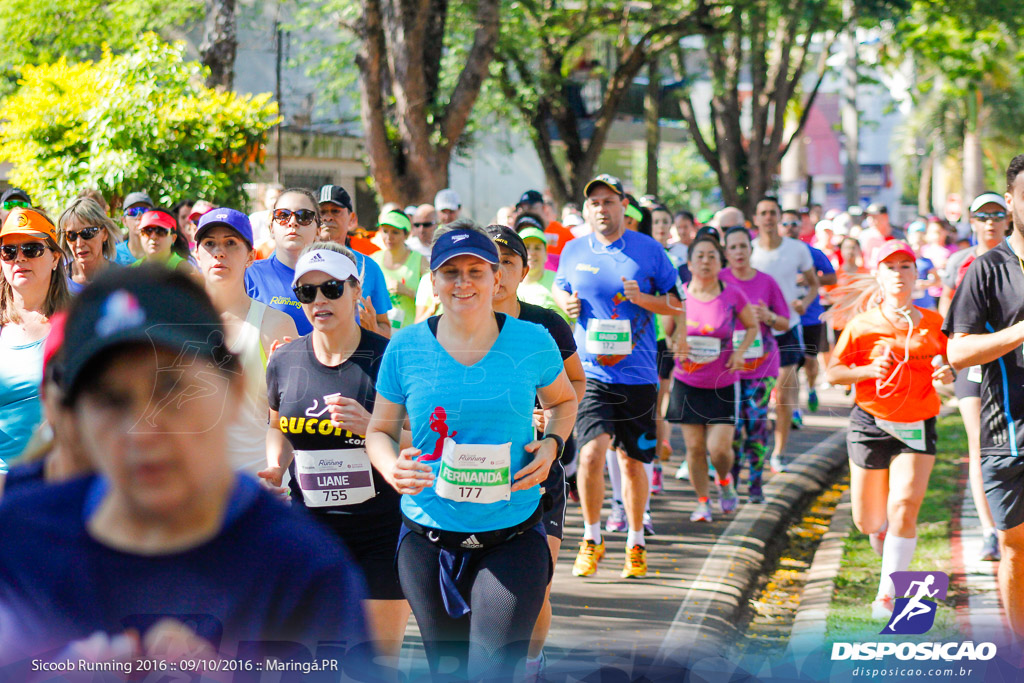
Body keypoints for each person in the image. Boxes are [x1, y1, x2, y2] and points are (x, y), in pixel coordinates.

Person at [0, 266, 372, 672]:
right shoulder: (19, 547)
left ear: (235, 386)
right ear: (70, 418)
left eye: (172, 388)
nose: (142, 429)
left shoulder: (303, 572)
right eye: (110, 399)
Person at [365, 220, 577, 679]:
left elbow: (564, 401)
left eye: (475, 271)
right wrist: (390, 468)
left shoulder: (532, 341)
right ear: (433, 281)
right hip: (427, 541)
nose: (463, 282)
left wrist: (552, 445)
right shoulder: (404, 348)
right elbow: (379, 431)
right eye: (450, 271)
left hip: (513, 536)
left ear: (496, 277)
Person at [260, 243, 410, 663]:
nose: (319, 301)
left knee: (374, 662)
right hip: (311, 534)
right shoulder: (285, 360)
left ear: (355, 289)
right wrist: (276, 466)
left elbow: (433, 437)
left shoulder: (389, 359)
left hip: (382, 533)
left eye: (330, 288)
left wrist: (374, 428)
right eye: (307, 293)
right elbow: (278, 425)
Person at [554, 174, 683, 579]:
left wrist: (642, 298)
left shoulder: (649, 250)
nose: (601, 210)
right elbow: (559, 286)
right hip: (590, 373)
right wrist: (567, 304)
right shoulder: (574, 249)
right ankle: (591, 538)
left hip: (638, 375)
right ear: (587, 209)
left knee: (632, 464)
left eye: (608, 202)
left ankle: (635, 540)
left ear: (623, 205)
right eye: (594, 203)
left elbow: (677, 303)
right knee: (591, 453)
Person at [825, 240, 951, 620]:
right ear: (879, 275)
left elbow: (951, 361)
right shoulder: (863, 325)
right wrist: (867, 371)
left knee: (903, 506)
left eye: (905, 267)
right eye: (891, 267)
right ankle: (884, 540)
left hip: (917, 422)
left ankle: (887, 595)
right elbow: (833, 372)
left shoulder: (932, 322)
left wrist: (948, 371)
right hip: (871, 422)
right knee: (868, 520)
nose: (899, 274)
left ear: (916, 275)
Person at [488, 225, 585, 676]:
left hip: (539, 469)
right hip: (476, 475)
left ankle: (529, 662)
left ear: (524, 271)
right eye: (490, 261)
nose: (498, 271)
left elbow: (575, 384)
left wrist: (552, 425)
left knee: (535, 586)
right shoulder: (449, 326)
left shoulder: (546, 324)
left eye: (508, 262)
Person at [944, 164, 1024, 637]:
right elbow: (957, 350)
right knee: (1014, 547)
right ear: (1012, 201)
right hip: (1008, 430)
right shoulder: (988, 269)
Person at [194, 208, 296, 473]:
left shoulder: (276, 324)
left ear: (250, 256)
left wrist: (278, 469)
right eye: (209, 244)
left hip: (260, 487)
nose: (219, 252)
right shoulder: (174, 323)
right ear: (196, 255)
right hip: (194, 493)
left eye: (231, 243)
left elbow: (292, 417)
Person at [668, 234, 757, 520]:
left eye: (711, 256)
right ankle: (703, 502)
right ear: (690, 263)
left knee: (718, 450)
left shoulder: (732, 294)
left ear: (721, 262)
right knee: (694, 448)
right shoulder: (679, 296)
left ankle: (724, 481)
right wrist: (675, 347)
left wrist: (740, 351)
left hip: (722, 383)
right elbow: (668, 335)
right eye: (700, 256)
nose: (705, 261)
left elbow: (752, 327)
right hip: (687, 382)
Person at [721, 226, 790, 503]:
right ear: (726, 252)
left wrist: (768, 316)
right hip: (727, 367)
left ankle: (757, 484)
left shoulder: (766, 282)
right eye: (733, 247)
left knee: (756, 425)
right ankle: (732, 482)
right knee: (733, 428)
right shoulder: (719, 280)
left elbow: (785, 323)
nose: (738, 252)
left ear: (751, 251)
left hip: (762, 367)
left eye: (743, 247)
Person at [750, 197, 819, 472]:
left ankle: (778, 453)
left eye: (772, 213)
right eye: (763, 213)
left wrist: (805, 301)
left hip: (787, 327)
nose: (768, 217)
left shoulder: (797, 249)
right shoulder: (750, 250)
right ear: (756, 218)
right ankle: (755, 449)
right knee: (758, 397)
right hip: (756, 332)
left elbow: (814, 284)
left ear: (779, 218)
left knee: (785, 394)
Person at [0, 208, 71, 466]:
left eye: (31, 249)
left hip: (61, 480)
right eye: (8, 251)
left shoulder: (79, 322)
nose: (19, 258)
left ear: (55, 258)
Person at [781, 207, 836, 417]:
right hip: (786, 317)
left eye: (794, 223)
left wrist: (811, 279)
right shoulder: (775, 254)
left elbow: (832, 278)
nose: (790, 228)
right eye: (785, 223)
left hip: (811, 315)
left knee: (811, 361)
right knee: (791, 365)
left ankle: (812, 388)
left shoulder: (812, 252)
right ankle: (794, 408)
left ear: (801, 227)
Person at [317, 184, 393, 336]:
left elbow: (385, 328)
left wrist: (373, 328)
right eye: (322, 212)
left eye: (335, 211)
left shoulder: (368, 266)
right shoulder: (301, 263)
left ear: (352, 219)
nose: (328, 217)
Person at [246, 188, 322, 335]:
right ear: (271, 228)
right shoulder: (249, 275)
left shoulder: (334, 280)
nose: (292, 222)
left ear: (318, 231)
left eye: (304, 216)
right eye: (283, 215)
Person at [372, 209, 427, 331]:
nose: (389, 237)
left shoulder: (420, 261)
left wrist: (407, 291)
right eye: (385, 231)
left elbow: (433, 299)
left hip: (411, 332)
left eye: (395, 232)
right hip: (381, 333)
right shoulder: (374, 259)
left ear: (406, 235)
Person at [57, 197, 122, 294]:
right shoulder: (57, 281)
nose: (79, 243)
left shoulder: (122, 279)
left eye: (87, 233)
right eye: (71, 235)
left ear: (104, 233)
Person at [515, 220, 568, 322]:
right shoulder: (509, 284)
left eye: (537, 248)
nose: (531, 253)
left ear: (546, 254)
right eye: (527, 248)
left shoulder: (559, 282)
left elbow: (574, 322)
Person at [130, 209, 195, 276]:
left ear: (173, 238)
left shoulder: (186, 271)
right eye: (147, 231)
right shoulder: (133, 270)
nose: (153, 236)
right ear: (140, 236)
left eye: (161, 231)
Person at [114, 190, 153, 265]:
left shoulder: (160, 253)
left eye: (145, 211)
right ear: (124, 221)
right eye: (132, 212)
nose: (139, 216)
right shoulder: (115, 256)